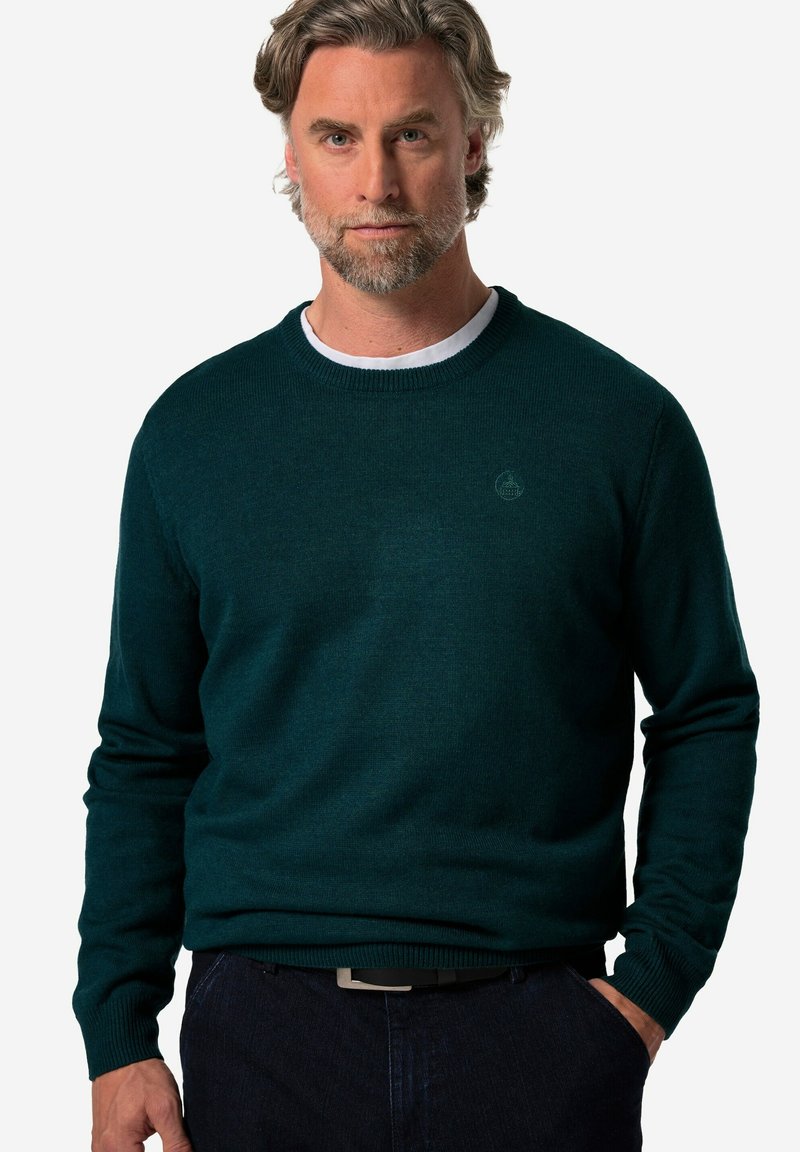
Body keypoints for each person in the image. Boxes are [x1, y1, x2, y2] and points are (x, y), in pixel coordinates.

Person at [73, 1, 759, 1149]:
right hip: (263, 1035)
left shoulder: (616, 424)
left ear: (473, 142)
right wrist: (117, 1030)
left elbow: (705, 712)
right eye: (337, 136)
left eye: (413, 134)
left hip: (539, 1033)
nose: (375, 181)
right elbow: (145, 747)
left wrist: (643, 996)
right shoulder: (196, 433)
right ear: (289, 152)